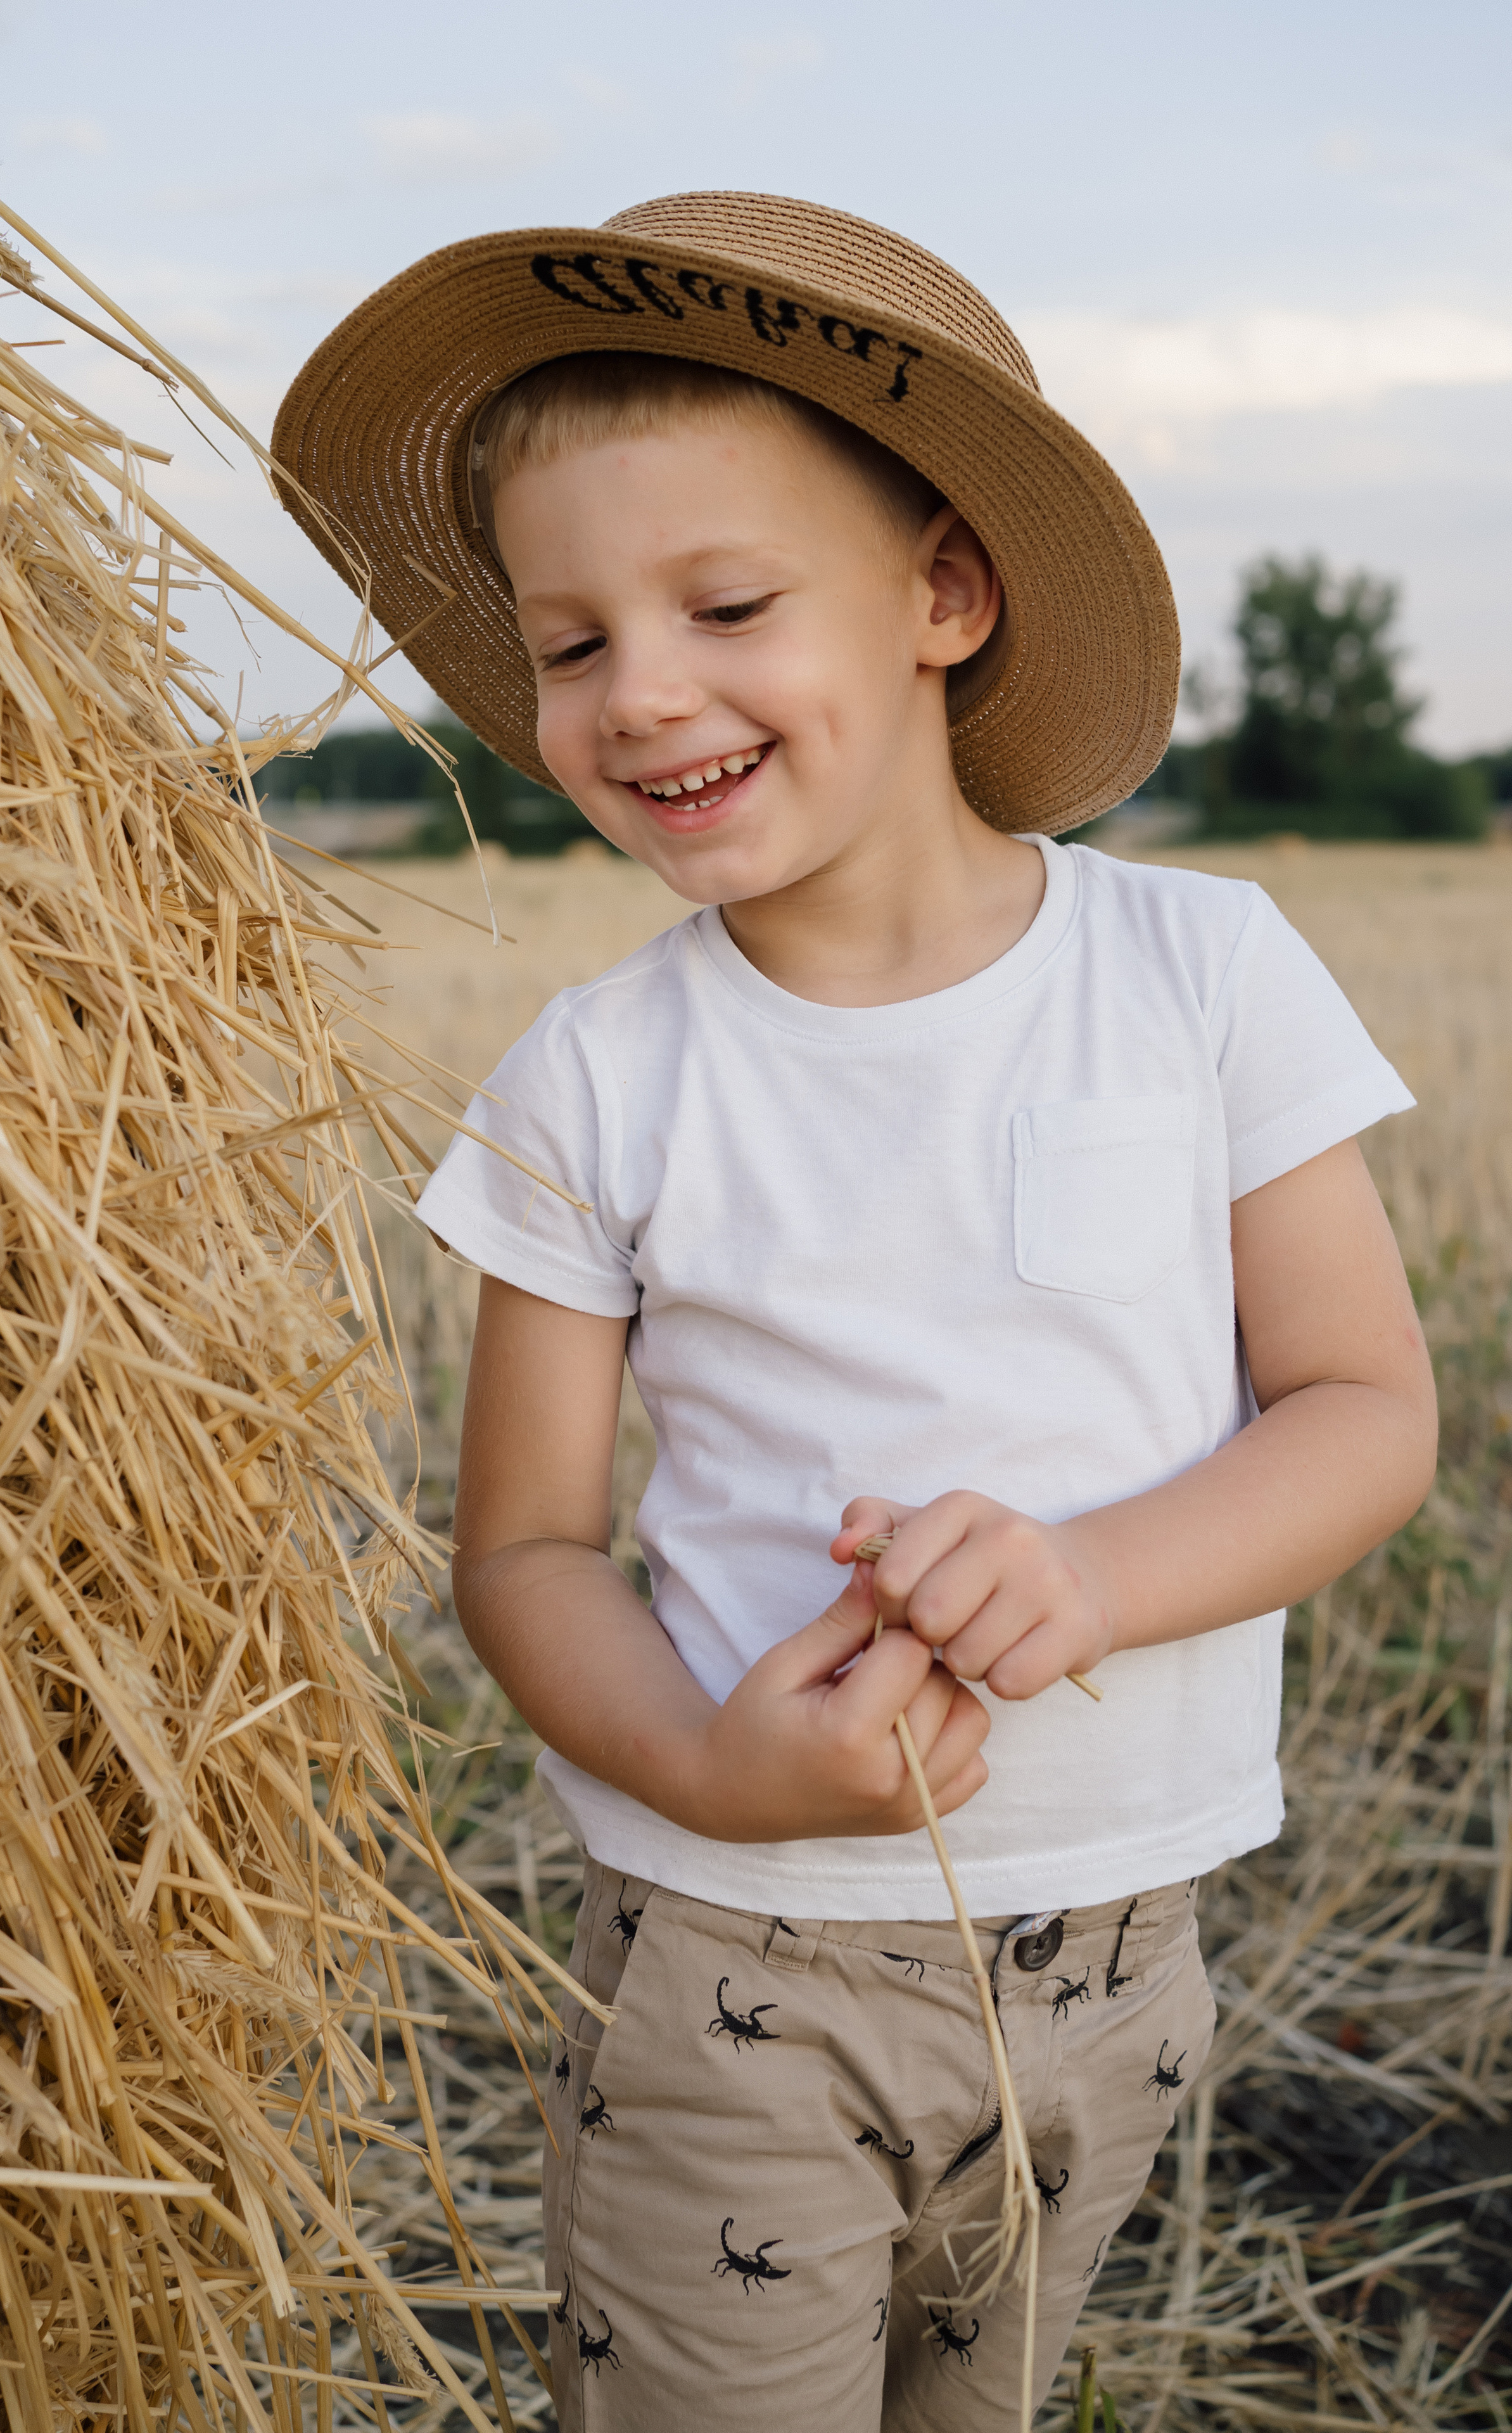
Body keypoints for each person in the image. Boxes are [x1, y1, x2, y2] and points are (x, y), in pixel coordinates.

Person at [274, 193, 1438, 2432]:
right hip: (730, 1970)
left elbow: (1362, 1408)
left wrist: (1092, 1573)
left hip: (1118, 1956)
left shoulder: (1200, 982)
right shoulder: (595, 1080)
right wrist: (714, 1758)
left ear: (944, 595)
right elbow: (520, 1549)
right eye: (572, 638)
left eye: (723, 605)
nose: (643, 695)